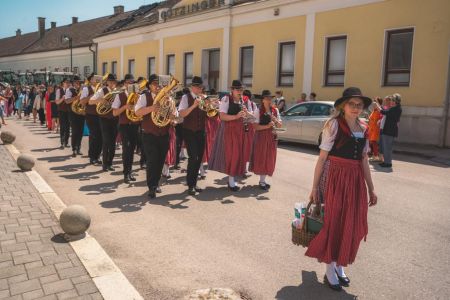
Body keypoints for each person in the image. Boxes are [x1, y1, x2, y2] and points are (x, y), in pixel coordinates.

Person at [305, 87, 377, 292]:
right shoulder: (334, 125)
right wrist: (314, 187)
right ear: (343, 106)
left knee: (351, 222)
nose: (356, 108)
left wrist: (371, 188)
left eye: (359, 105)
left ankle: (340, 264)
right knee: (334, 222)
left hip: (354, 179)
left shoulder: (363, 127)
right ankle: (330, 268)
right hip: (335, 177)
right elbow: (322, 158)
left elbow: (363, 159)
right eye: (352, 104)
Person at [209, 80, 250, 191]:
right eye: (238, 89)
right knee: (232, 155)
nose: (240, 92)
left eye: (241, 89)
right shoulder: (226, 99)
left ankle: (232, 179)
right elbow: (222, 116)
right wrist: (236, 117)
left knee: (238, 155)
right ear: (232, 90)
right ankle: (231, 180)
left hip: (240, 130)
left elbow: (250, 117)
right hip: (229, 131)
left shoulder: (244, 100)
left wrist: (246, 114)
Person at [135, 74, 171, 198]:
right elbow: (137, 111)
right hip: (149, 134)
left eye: (159, 84)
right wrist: (151, 108)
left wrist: (174, 118)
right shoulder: (144, 97)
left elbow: (174, 114)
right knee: (152, 160)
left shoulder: (167, 98)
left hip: (164, 134)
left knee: (160, 161)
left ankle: (156, 183)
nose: (158, 86)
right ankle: (152, 186)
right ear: (150, 86)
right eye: (155, 84)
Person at [178, 76, 208, 195]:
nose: (199, 89)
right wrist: (194, 105)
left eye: (201, 87)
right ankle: (190, 185)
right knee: (193, 157)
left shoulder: (204, 98)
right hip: (189, 131)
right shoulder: (186, 97)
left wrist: (213, 106)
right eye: (197, 86)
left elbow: (210, 114)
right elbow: (182, 113)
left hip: (201, 131)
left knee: (199, 158)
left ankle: (194, 184)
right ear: (192, 87)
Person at [249, 90, 282, 190]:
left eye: (270, 98)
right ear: (263, 100)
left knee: (269, 158)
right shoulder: (258, 111)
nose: (269, 100)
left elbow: (280, 125)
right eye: (267, 98)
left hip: (272, 137)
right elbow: (255, 126)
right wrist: (267, 126)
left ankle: (263, 180)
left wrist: (276, 121)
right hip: (261, 137)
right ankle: (262, 181)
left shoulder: (275, 111)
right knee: (262, 157)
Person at [112, 74, 140, 183]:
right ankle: (126, 173)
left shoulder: (137, 95)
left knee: (131, 149)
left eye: (132, 83)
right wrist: (125, 107)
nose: (130, 84)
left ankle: (130, 171)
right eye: (128, 82)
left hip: (134, 125)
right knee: (126, 149)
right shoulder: (120, 95)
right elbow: (114, 113)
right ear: (124, 84)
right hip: (124, 125)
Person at [89, 73, 119, 171]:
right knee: (106, 141)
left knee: (113, 142)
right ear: (107, 82)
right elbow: (90, 101)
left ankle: (110, 162)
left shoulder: (117, 91)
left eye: (114, 82)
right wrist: (100, 100)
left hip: (115, 119)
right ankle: (105, 164)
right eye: (110, 81)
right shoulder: (102, 90)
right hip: (104, 118)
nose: (112, 83)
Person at [80, 73, 103, 165]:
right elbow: (82, 101)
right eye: (94, 78)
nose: (96, 80)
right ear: (90, 80)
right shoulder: (86, 89)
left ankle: (97, 156)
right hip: (91, 115)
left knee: (101, 136)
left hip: (101, 114)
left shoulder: (101, 89)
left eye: (97, 78)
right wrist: (92, 96)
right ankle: (92, 157)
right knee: (94, 135)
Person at [379, 93, 402, 168]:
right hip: (389, 131)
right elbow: (386, 112)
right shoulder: (395, 108)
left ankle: (388, 163)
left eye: (393, 100)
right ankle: (386, 162)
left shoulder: (395, 109)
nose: (391, 102)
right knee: (386, 147)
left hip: (389, 131)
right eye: (391, 100)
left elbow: (384, 112)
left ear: (396, 101)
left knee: (387, 148)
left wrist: (377, 106)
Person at [64, 76, 85, 157]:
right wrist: (76, 97)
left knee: (80, 131)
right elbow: (66, 101)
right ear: (73, 83)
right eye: (76, 82)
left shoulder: (83, 90)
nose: (78, 84)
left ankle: (78, 148)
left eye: (79, 82)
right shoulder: (69, 90)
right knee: (75, 131)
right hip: (72, 113)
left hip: (81, 113)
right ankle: (74, 149)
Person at [55, 79, 71, 149]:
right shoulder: (59, 90)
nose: (68, 84)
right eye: (66, 83)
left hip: (69, 111)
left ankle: (66, 142)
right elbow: (57, 102)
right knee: (62, 127)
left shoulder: (70, 90)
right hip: (61, 111)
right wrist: (62, 98)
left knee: (68, 127)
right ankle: (62, 142)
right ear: (63, 83)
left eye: (68, 83)